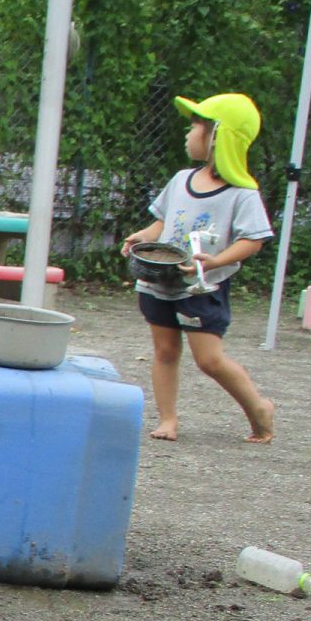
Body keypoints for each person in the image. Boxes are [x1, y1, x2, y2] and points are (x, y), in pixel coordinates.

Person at [120, 93, 276, 443]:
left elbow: (253, 240)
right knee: (165, 351)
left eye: (195, 127)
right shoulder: (180, 179)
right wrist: (142, 237)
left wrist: (216, 261)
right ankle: (168, 419)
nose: (188, 134)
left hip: (201, 289)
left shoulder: (242, 194)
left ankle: (259, 408)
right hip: (159, 282)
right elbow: (162, 223)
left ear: (218, 136)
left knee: (209, 360)